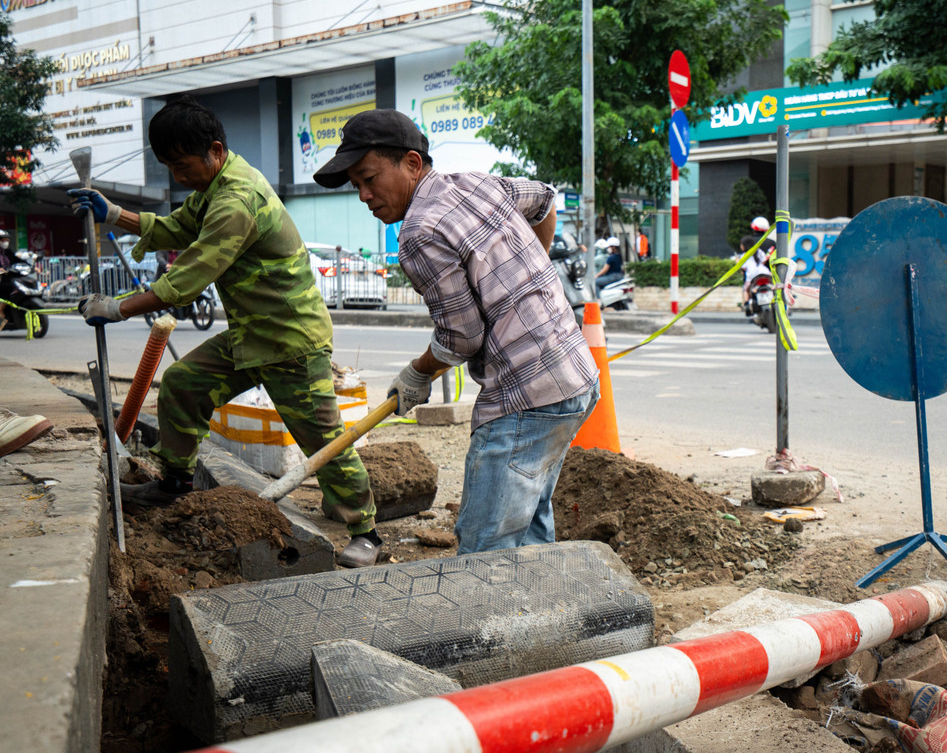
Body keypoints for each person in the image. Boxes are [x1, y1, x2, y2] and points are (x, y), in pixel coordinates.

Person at [67, 96, 381, 568]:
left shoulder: (237, 199)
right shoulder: (215, 187)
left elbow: (187, 277)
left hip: (291, 340)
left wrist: (116, 308)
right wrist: (116, 214)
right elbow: (177, 227)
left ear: (214, 151)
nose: (178, 176)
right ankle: (175, 483)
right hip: (251, 334)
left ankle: (366, 531)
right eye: (169, 166)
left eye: (183, 164)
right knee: (183, 382)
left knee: (321, 437)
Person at [312, 108, 599, 555]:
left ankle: (493, 623)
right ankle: (544, 613)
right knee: (529, 532)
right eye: (356, 186)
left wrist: (417, 373)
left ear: (411, 163)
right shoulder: (478, 184)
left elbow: (462, 338)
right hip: (576, 378)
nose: (365, 195)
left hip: (526, 399)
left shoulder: (419, 232)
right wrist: (528, 270)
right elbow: (544, 199)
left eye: (369, 178)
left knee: (485, 549)